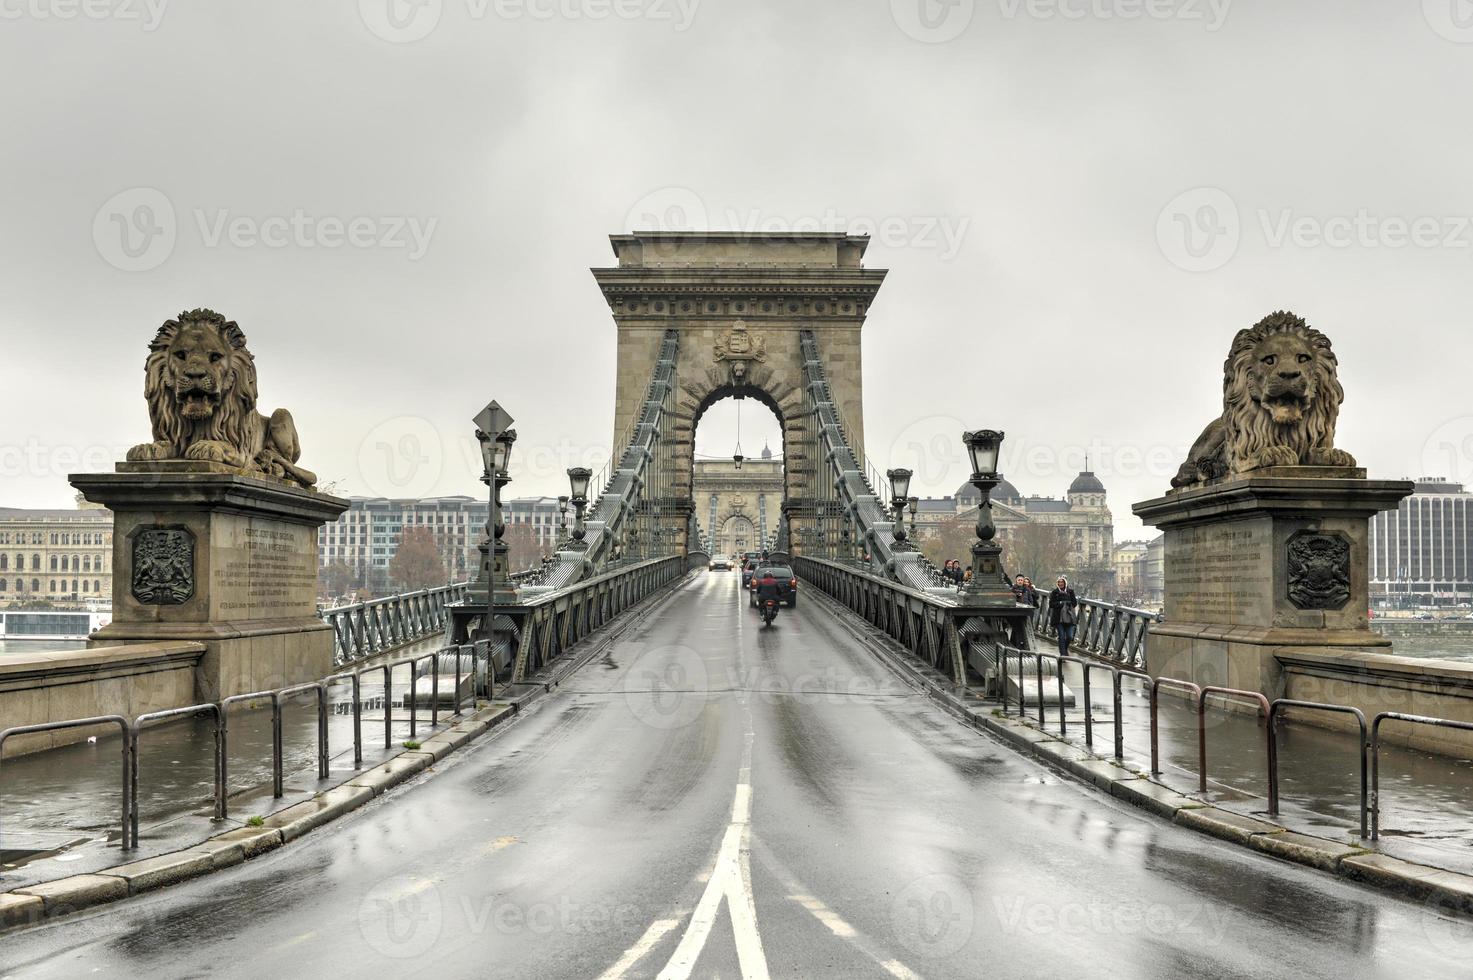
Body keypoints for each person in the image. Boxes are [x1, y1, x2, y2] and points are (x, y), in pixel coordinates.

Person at [1048, 576, 1078, 655]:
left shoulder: (1070, 591)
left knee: (1069, 636)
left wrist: (1068, 604)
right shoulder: (1054, 592)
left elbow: (1074, 603)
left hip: (1069, 617)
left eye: (1062, 582)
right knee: (1061, 636)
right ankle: (1063, 654)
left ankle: (1065, 648)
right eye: (1059, 582)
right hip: (1058, 618)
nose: (1060, 584)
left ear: (1065, 583)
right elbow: (1051, 604)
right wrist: (1060, 604)